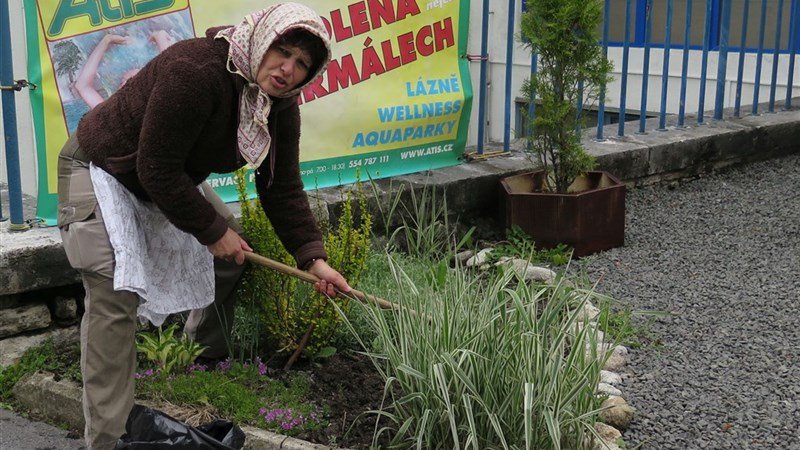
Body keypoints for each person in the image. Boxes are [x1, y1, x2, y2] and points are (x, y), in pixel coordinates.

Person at [56, 3, 350, 449]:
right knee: (115, 295)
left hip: (162, 176)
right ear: (261, 41)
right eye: (282, 51)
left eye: (302, 63)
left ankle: (197, 355)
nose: (288, 69)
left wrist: (315, 260)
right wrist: (211, 232)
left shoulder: (279, 104)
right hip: (102, 166)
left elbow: (281, 186)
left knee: (234, 256)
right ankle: (107, 440)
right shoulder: (195, 71)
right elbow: (156, 166)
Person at [73, 30, 176, 109]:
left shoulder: (112, 114)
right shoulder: (161, 103)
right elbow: (171, 71)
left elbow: (83, 86)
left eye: (123, 83)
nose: (123, 83)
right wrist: (159, 37)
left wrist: (107, 40)